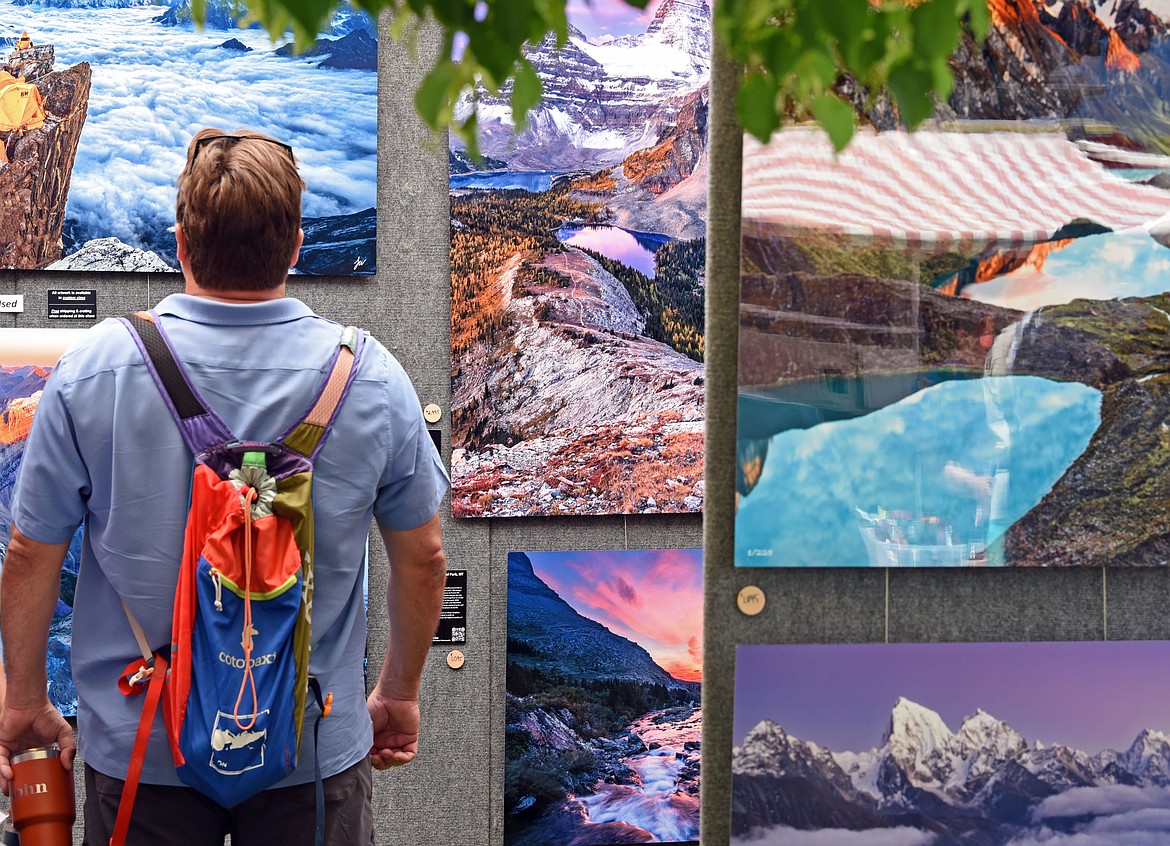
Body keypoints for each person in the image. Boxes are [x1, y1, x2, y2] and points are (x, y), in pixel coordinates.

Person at [0, 128, 450, 844]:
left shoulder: (93, 372)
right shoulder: (374, 379)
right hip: (313, 751)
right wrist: (398, 691)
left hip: (143, 751)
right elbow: (423, 560)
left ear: (180, 243)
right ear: (296, 246)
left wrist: (23, 701)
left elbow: (30, 553)